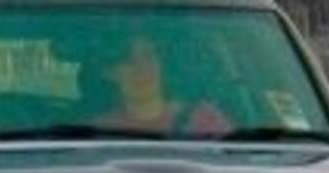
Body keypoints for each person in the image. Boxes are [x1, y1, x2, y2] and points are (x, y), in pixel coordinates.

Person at [93, 37, 230, 137]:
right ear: (110, 73)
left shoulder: (205, 120)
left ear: (161, 64)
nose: (141, 68)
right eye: (128, 61)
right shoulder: (95, 131)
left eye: (148, 56)